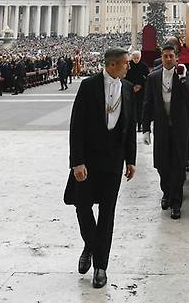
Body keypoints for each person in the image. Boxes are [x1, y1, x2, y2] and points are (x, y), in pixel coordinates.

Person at [63, 47, 136, 289]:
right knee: (82, 207)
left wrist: (131, 160)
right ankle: (90, 244)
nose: (129, 67)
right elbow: (77, 126)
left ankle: (100, 266)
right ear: (112, 65)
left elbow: (129, 126)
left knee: (107, 214)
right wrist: (77, 162)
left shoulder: (126, 88)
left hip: (114, 162)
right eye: (126, 63)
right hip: (89, 161)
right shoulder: (89, 86)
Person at [142, 44, 189, 219]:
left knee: (179, 166)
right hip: (161, 128)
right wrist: (145, 129)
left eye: (171, 56)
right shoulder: (153, 77)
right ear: (161, 57)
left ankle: (176, 202)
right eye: (165, 56)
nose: (168, 59)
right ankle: (166, 192)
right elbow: (147, 104)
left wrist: (182, 80)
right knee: (162, 165)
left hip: (180, 128)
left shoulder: (183, 74)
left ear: (176, 57)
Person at [125, 50, 150, 132]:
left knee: (140, 109)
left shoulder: (144, 66)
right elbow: (124, 77)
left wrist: (140, 86)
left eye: (137, 58)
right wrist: (132, 87)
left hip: (141, 91)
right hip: (130, 90)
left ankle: (140, 125)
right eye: (134, 58)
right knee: (130, 108)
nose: (136, 60)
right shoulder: (128, 65)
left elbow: (148, 79)